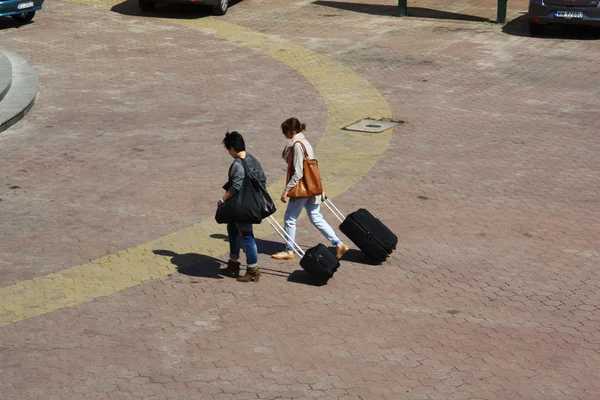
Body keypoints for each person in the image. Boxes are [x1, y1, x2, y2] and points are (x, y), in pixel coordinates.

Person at [271, 117, 349, 261]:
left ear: (293, 131)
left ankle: (289, 249)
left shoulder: (297, 145)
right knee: (315, 216)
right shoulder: (305, 143)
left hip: (302, 189)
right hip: (312, 187)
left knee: (289, 218)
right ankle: (338, 244)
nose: (284, 135)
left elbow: (298, 172)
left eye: (285, 132)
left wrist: (287, 190)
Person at [218, 131, 266, 283]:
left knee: (247, 236)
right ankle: (233, 262)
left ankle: (253, 269)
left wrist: (222, 200)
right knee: (232, 228)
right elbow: (263, 180)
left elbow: (235, 187)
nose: (228, 152)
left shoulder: (238, 164)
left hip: (241, 207)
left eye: (228, 149)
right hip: (249, 204)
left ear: (232, 148)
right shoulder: (253, 160)